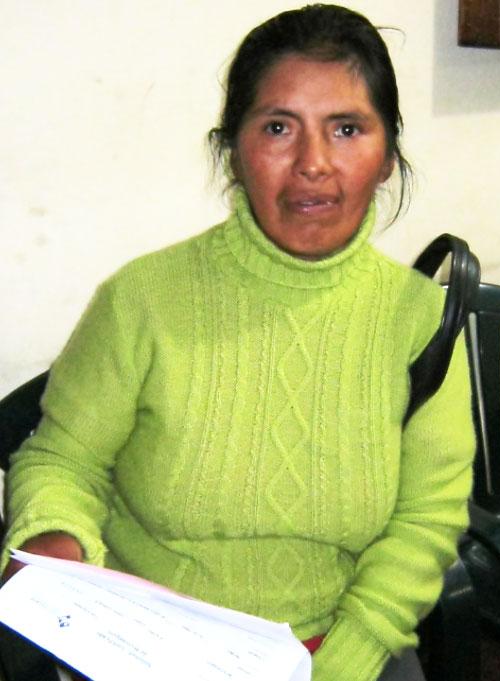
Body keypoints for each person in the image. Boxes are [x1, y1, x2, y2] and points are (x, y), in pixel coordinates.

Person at [1, 5, 475, 681]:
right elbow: (62, 458)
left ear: (387, 158)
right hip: (151, 649)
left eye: (346, 129)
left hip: (345, 646)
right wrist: (54, 537)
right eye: (278, 127)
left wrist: (342, 661)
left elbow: (426, 518)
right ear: (233, 149)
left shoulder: (418, 321)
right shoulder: (142, 300)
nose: (313, 164)